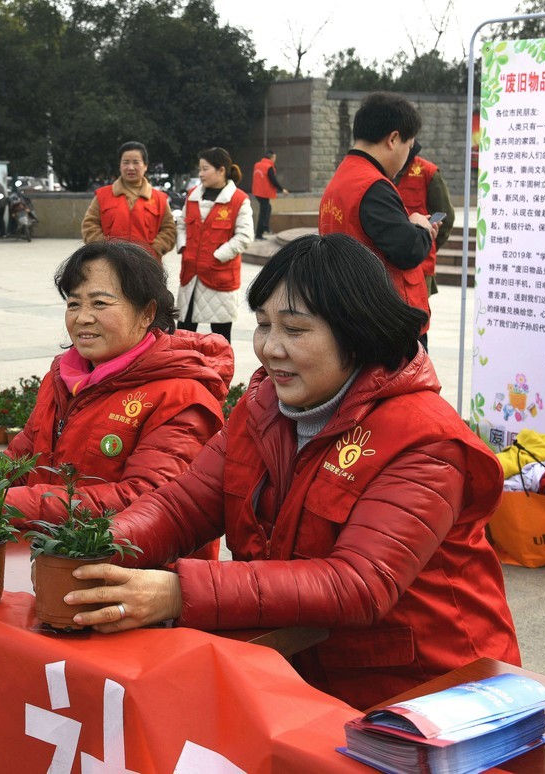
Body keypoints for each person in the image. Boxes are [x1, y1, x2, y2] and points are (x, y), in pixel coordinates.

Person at [60, 234, 521, 711]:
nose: (271, 348)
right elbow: (184, 506)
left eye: (295, 330)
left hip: (427, 693)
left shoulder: (425, 439)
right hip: (299, 676)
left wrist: (179, 591)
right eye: (263, 325)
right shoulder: (262, 408)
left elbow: (358, 583)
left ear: (356, 331)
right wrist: (95, 546)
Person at [0, 240, 234, 531]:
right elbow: (20, 460)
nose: (83, 318)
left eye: (100, 303)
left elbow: (147, 501)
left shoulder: (182, 397)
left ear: (147, 313)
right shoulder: (62, 379)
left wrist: (9, 504)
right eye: (74, 304)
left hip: (122, 557)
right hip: (50, 548)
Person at [319, 92, 437, 343]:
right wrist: (421, 228)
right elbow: (408, 250)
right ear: (393, 139)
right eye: (409, 146)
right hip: (388, 326)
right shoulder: (373, 186)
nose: (407, 156)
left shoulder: (343, 178)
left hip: (356, 315)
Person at [175, 148, 253, 342]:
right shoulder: (192, 195)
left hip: (220, 276)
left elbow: (245, 236)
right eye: (200, 169)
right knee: (183, 333)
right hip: (191, 275)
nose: (200, 174)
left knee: (220, 337)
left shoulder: (238, 200)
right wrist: (184, 247)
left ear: (221, 170)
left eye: (205, 169)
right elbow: (182, 224)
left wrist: (218, 255)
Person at [81, 142, 176, 259]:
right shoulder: (102, 196)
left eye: (136, 162)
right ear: (120, 166)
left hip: (147, 263)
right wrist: (104, 249)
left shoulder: (159, 199)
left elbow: (169, 229)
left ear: (145, 166)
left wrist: (153, 250)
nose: (130, 167)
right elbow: (89, 225)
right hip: (110, 262)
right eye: (126, 162)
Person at [396, 141, 454, 298]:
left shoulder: (428, 172)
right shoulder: (381, 172)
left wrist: (426, 244)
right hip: (388, 264)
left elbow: (445, 217)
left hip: (420, 265)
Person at [250, 150, 287, 239]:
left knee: (268, 208)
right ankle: (259, 234)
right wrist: (282, 189)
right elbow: (273, 180)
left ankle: (265, 228)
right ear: (272, 157)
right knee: (263, 213)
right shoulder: (269, 167)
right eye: (275, 158)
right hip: (264, 193)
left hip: (257, 192)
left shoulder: (257, 165)